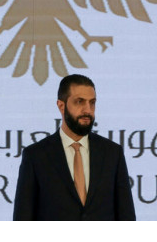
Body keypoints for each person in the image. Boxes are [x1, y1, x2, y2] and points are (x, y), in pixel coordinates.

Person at [13, 74, 136, 221]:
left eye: (92, 103)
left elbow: (126, 216)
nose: (88, 110)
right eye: (79, 102)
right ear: (61, 106)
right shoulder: (36, 156)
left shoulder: (112, 153)